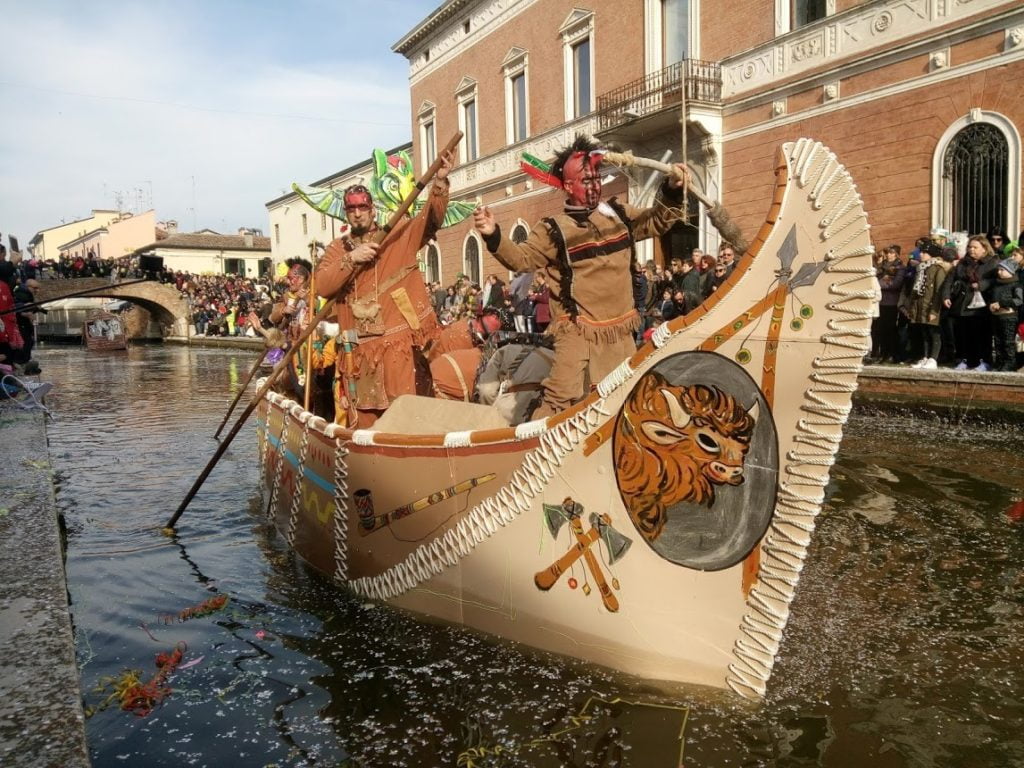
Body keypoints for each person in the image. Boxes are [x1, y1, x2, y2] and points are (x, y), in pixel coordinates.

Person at [472, 135, 688, 417]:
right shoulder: (554, 229)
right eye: (586, 180)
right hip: (576, 332)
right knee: (559, 403)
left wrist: (672, 190)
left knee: (621, 398)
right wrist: (493, 234)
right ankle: (537, 454)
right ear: (569, 186)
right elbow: (522, 259)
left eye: (596, 177)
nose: (594, 185)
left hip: (619, 330)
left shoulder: (619, 213)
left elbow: (658, 220)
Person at [316, 149, 454, 427]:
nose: (357, 214)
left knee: (404, 416)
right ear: (346, 214)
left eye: (362, 207)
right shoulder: (337, 249)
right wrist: (351, 258)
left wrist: (439, 183)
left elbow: (430, 220)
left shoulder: (395, 235)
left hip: (397, 352)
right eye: (351, 209)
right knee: (364, 422)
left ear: (372, 209)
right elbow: (321, 285)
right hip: (358, 355)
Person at [941, 234, 999, 371]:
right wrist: (946, 296)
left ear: (984, 249)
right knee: (963, 334)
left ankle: (984, 361)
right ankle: (965, 360)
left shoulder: (993, 262)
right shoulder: (963, 262)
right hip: (962, 302)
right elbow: (950, 279)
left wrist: (982, 284)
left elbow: (996, 279)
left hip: (982, 304)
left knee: (981, 334)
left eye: (975, 247)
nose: (971, 250)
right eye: (970, 247)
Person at [906, 243, 950, 369]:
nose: (920, 254)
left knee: (933, 332)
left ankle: (933, 358)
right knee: (924, 332)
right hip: (920, 304)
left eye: (924, 252)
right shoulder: (921, 268)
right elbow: (916, 289)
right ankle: (925, 356)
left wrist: (934, 311)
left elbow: (938, 290)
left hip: (931, 305)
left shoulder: (937, 269)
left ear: (932, 255)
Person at [986, 259, 1022, 372]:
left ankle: (1010, 362)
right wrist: (990, 305)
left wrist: (1002, 304)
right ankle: (1000, 361)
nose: (999, 272)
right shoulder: (996, 285)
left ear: (1011, 272)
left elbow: (1019, 300)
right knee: (998, 341)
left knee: (1008, 341)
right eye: (999, 270)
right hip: (996, 316)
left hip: (1009, 317)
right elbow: (990, 298)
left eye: (1002, 270)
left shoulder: (1016, 285)